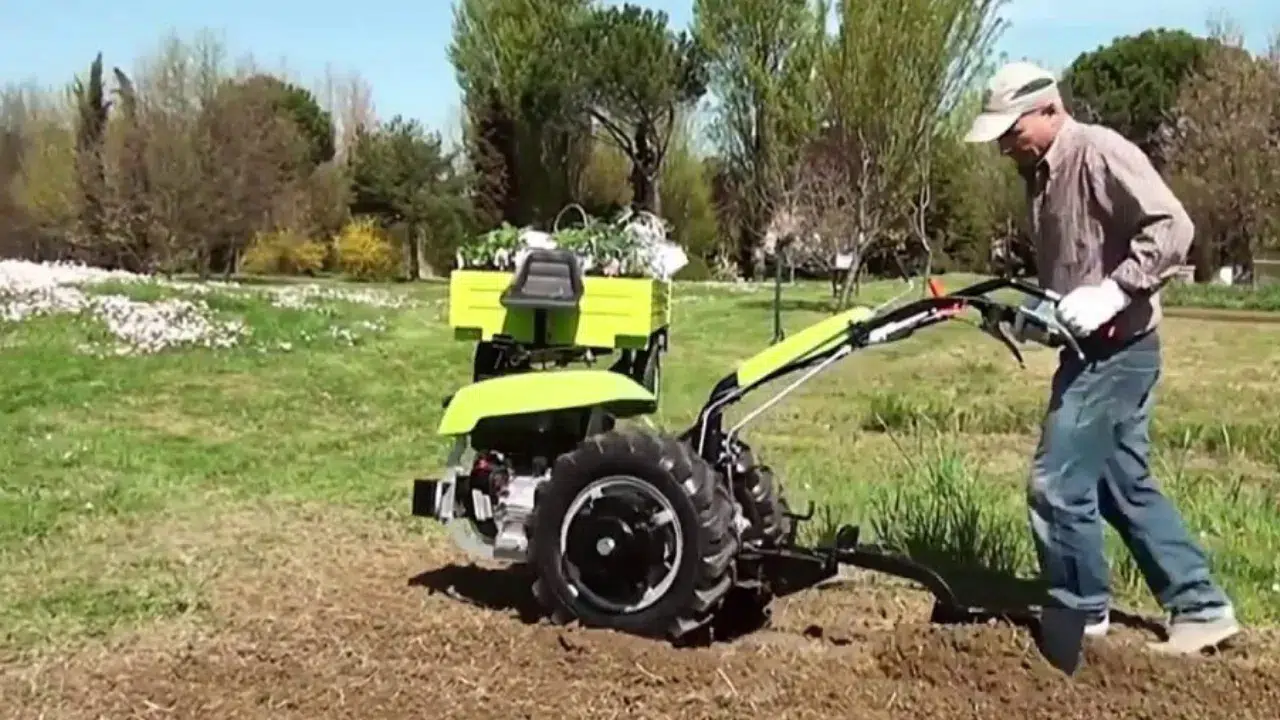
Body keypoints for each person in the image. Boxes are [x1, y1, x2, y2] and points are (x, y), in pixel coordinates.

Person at [963, 61, 1240, 655]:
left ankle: (1080, 615)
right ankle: (1201, 605)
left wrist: (1117, 290)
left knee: (1055, 483)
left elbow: (1173, 226)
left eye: (1011, 131)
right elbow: (1072, 275)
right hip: (1089, 349)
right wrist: (1040, 317)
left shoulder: (1098, 153)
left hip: (1121, 351)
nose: (1004, 147)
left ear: (1047, 109)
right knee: (1121, 486)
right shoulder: (1038, 174)